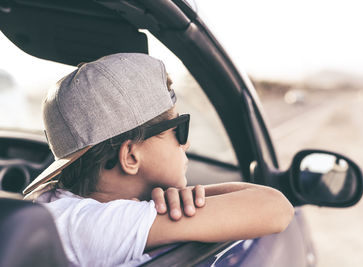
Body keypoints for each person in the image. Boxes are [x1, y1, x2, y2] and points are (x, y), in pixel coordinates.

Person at [22, 53, 294, 267]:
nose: (186, 143)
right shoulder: (99, 226)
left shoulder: (56, 206)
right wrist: (182, 197)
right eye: (179, 129)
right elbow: (277, 208)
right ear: (130, 156)